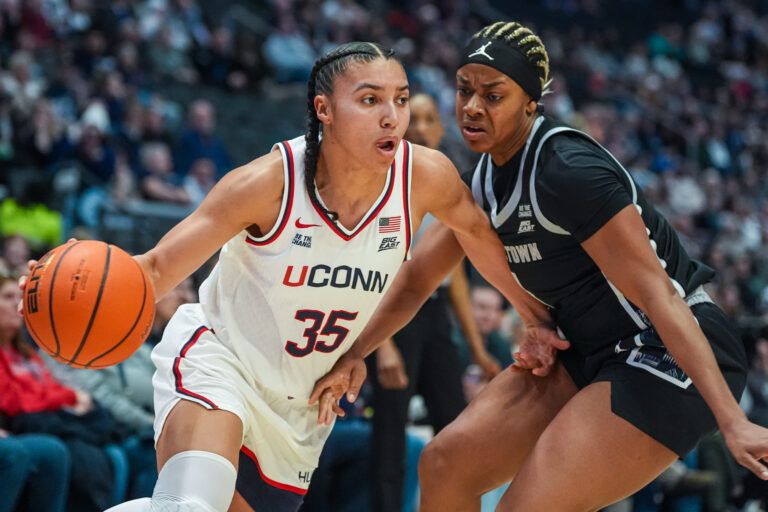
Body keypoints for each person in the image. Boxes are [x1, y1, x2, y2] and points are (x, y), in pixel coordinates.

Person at [20, 41, 552, 512]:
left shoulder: (424, 177)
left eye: (400, 98)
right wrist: (67, 283)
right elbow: (155, 268)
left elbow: (478, 237)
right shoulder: (267, 184)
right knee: (189, 505)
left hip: (300, 403)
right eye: (369, 100)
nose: (392, 116)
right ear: (324, 110)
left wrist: (532, 318)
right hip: (220, 361)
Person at [311, 22, 768, 512]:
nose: (471, 106)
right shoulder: (482, 182)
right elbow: (418, 278)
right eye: (464, 89)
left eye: (493, 95)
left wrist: (731, 419)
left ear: (531, 101)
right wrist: (357, 351)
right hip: (582, 346)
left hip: (664, 348)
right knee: (445, 462)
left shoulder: (568, 170)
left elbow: (660, 295)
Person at [371, 92, 500, 512]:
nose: (423, 127)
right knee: (389, 433)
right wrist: (382, 343)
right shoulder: (383, 180)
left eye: (430, 119)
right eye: (416, 119)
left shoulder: (450, 184)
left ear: (442, 129)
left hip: (435, 313)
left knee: (454, 425)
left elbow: (456, 277)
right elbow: (371, 269)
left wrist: (478, 351)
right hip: (390, 313)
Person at [0, 274, 115, 511]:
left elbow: (45, 389)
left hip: (48, 418)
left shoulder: (26, 352)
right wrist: (70, 397)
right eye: (7, 297)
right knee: (60, 452)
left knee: (114, 453)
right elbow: (17, 401)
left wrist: (66, 397)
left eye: (18, 297)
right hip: (24, 423)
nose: (16, 304)